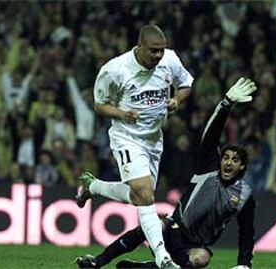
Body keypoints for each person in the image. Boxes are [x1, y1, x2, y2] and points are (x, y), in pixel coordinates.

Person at [75, 78, 257, 269]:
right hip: (173, 229)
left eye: (235, 160)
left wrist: (244, 265)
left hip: (195, 246)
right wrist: (226, 103)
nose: (228, 162)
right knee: (152, 226)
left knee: (202, 259)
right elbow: (210, 136)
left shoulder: (244, 194)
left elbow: (247, 232)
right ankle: (98, 261)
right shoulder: (209, 169)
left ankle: (142, 268)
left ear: (242, 167)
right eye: (226, 157)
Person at [76, 24, 193, 269]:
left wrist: (176, 100)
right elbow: (100, 105)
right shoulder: (115, 69)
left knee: (139, 196)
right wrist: (121, 114)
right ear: (139, 47)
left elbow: (186, 84)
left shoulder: (169, 60)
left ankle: (93, 186)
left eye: (161, 50)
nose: (158, 55)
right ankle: (163, 259)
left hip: (154, 139)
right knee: (146, 194)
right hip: (126, 137)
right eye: (153, 51)